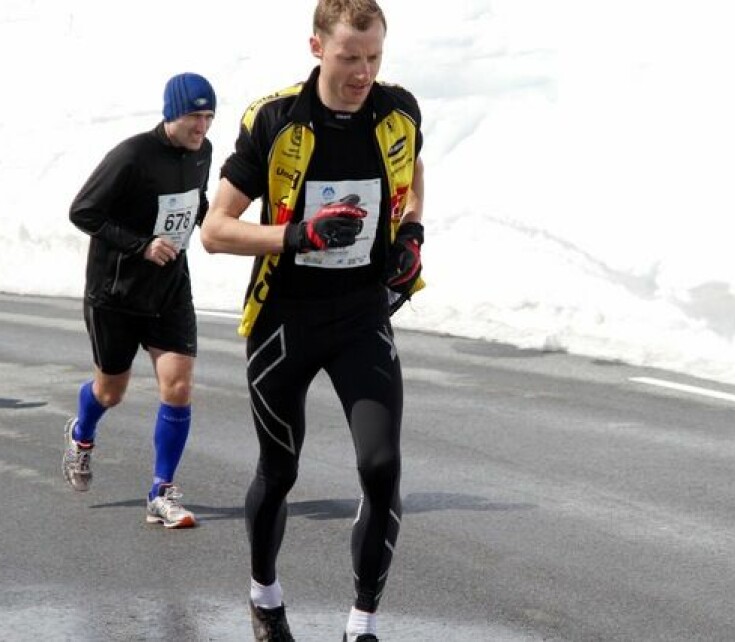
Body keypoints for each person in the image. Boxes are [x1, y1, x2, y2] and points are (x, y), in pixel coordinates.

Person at [200, 1, 425, 639]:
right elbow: (215, 231)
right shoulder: (274, 118)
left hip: (361, 316)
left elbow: (415, 177)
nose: (363, 72)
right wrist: (298, 235)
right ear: (317, 47)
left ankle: (362, 622)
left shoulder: (399, 109)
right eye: (350, 57)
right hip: (284, 321)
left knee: (382, 467)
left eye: (374, 57)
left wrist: (413, 233)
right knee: (280, 469)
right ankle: (265, 594)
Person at [62, 72, 216, 530]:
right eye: (194, 116)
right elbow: (83, 211)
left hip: (169, 289)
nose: (202, 127)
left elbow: (194, 202)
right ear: (172, 113)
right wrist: (140, 245)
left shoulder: (202, 152)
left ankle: (161, 491)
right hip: (116, 292)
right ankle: (81, 433)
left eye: (209, 117)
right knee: (111, 391)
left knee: (179, 387)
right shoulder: (131, 156)